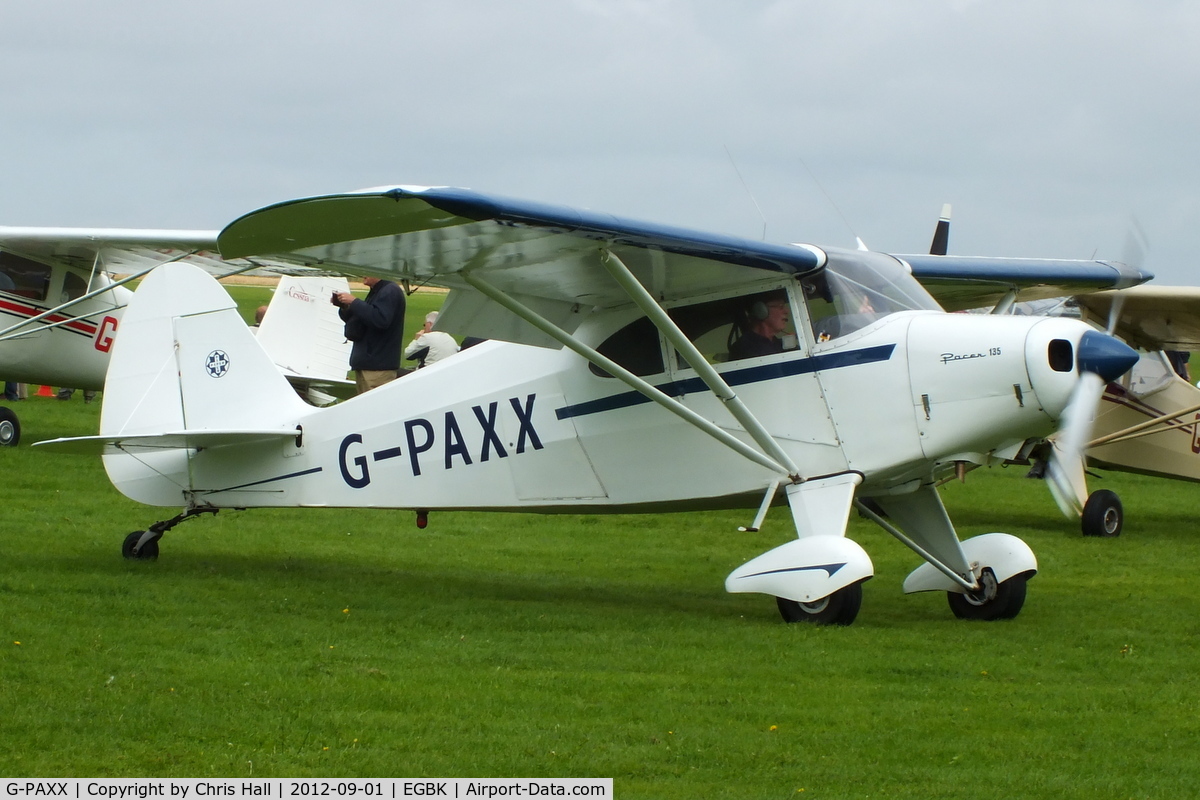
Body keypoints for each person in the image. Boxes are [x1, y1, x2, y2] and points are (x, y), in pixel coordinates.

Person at [331, 277, 406, 394]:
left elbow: (380, 320)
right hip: (368, 363)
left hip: (377, 366)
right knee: (364, 406)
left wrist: (354, 302)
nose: (362, 276)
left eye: (366, 273)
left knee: (375, 406)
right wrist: (346, 307)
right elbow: (362, 319)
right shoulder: (378, 291)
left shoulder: (390, 291)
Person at [728, 291, 790, 360]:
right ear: (761, 310)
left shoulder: (778, 344)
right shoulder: (743, 348)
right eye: (781, 307)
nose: (786, 311)